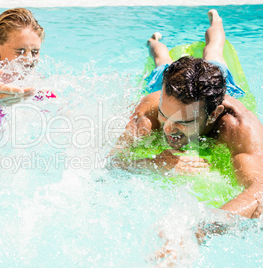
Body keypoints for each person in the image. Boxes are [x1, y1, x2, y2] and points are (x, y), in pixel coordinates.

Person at [113, 10, 263, 219]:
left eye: (185, 121)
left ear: (214, 114)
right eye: (164, 116)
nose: (167, 128)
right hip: (165, 86)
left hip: (216, 87)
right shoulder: (150, 109)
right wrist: (156, 164)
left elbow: (259, 190)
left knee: (214, 52)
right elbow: (111, 162)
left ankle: (216, 22)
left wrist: (202, 228)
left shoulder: (238, 125)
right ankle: (154, 41)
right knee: (160, 59)